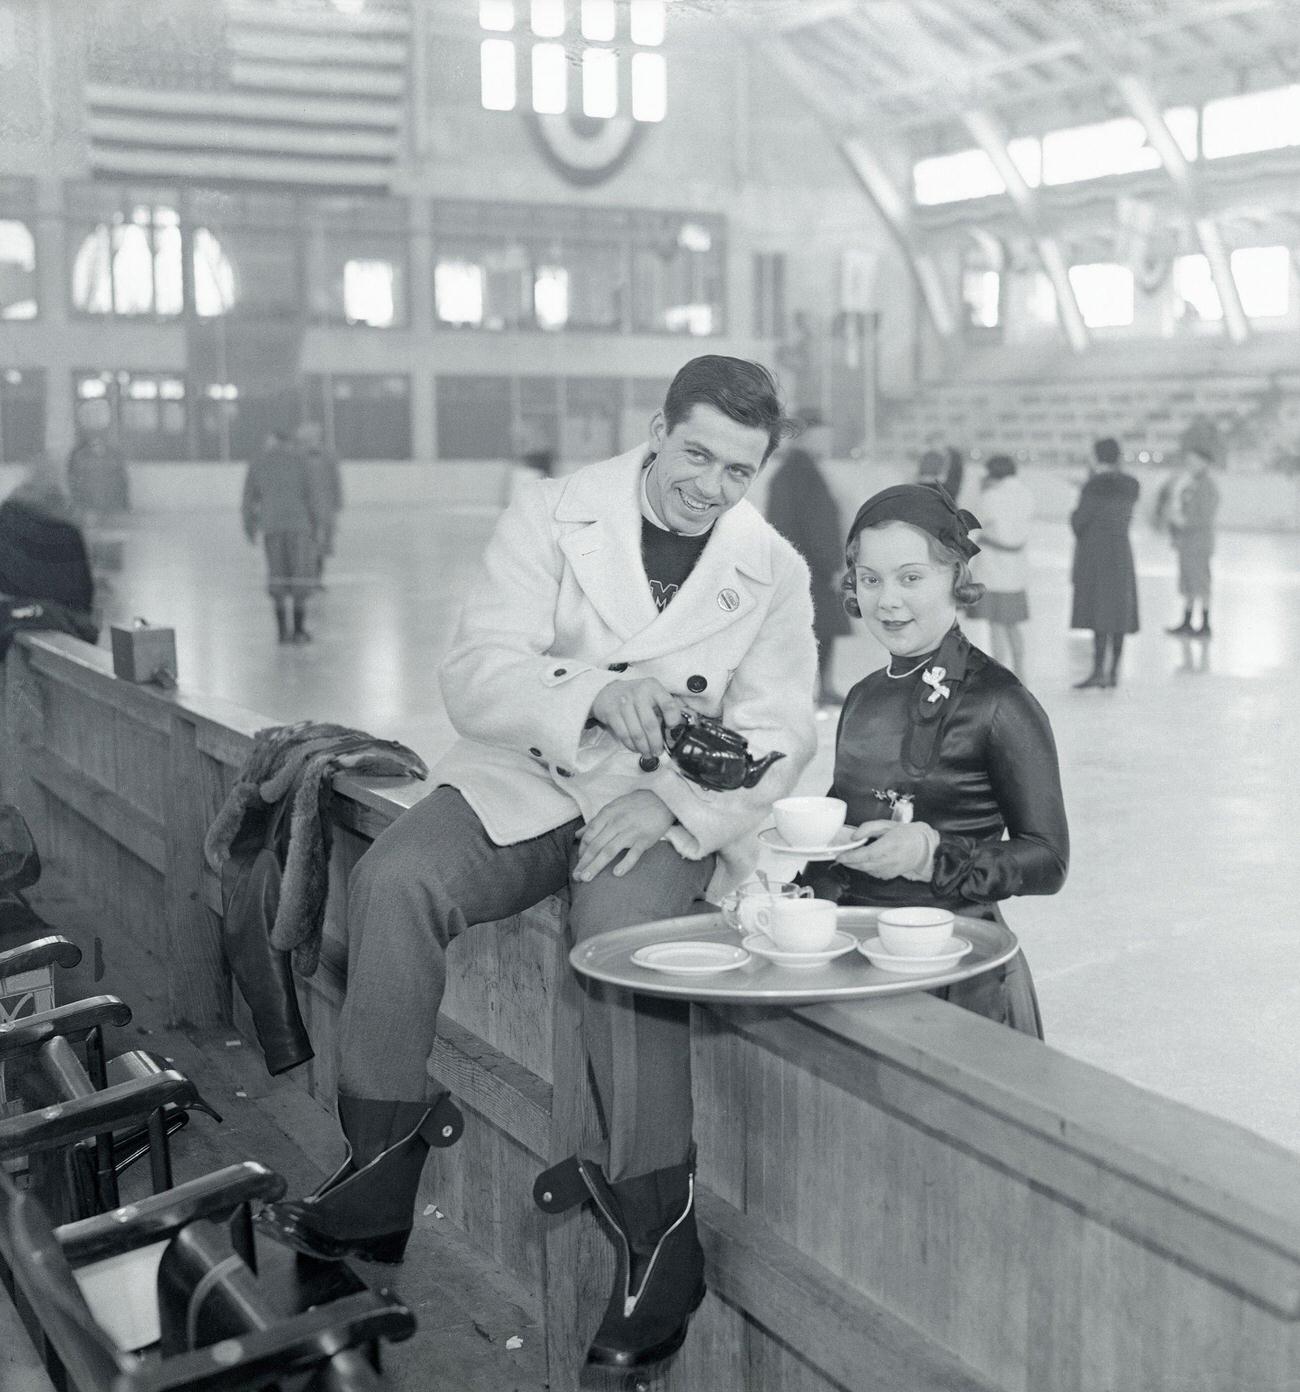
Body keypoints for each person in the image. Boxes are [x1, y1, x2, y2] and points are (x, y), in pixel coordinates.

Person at [256, 356, 819, 1370]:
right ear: (657, 429)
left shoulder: (770, 567)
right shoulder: (552, 514)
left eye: (738, 471)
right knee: (395, 879)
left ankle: (660, 1236)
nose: (711, 485)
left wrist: (672, 801)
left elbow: (781, 730)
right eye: (696, 454)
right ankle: (376, 1173)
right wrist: (593, 697)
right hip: (526, 774)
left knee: (618, 949)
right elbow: (474, 674)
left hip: (653, 814)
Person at [802, 484, 1068, 1035]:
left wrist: (932, 856)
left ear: (955, 576)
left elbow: (1047, 860)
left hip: (957, 976)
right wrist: (797, 889)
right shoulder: (863, 694)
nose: (887, 600)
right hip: (859, 958)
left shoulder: (1000, 701)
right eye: (870, 580)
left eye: (911, 577)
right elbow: (844, 823)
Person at [765, 414, 850, 706]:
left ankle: (818, 686)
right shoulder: (802, 473)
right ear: (805, 436)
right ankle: (815, 687)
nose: (825, 442)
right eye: (821, 436)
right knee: (814, 630)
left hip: (799, 563)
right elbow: (817, 524)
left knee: (811, 630)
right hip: (812, 565)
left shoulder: (793, 471)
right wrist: (832, 564)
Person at [241, 428, 328, 644]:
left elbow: (248, 498)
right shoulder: (302, 461)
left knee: (278, 577)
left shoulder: (259, 462)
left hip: (272, 527)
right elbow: (314, 496)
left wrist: (250, 527)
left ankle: (282, 632)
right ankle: (298, 630)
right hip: (299, 527)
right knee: (299, 577)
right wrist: (318, 526)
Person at [0, 467, 98, 652]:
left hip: (27, 618)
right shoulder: (68, 531)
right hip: (66, 623)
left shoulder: (8, 520)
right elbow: (84, 598)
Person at [1069, 437, 1140, 689]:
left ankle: (1098, 670)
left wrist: (1084, 489)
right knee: (1118, 611)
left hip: (1095, 554)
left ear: (1097, 457)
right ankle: (1114, 673)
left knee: (1099, 610)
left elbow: (1079, 522)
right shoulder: (1132, 484)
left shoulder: (1093, 486)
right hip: (1121, 552)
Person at [966, 454, 1033, 677]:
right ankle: (1021, 670)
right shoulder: (1025, 493)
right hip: (1016, 567)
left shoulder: (991, 496)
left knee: (995, 623)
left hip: (993, 566)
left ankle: (998, 673)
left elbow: (975, 524)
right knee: (1013, 624)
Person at [1163, 444, 1220, 638]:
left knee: (1201, 583)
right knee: (1187, 583)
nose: (1190, 465)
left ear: (1205, 463)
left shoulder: (1207, 486)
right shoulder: (1190, 484)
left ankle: (1205, 624)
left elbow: (1204, 516)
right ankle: (1186, 621)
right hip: (1187, 543)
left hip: (1199, 543)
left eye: (1194, 461)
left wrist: (1182, 522)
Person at [295, 421, 342, 581]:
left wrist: (337, 502)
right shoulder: (297, 456)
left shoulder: (328, 455)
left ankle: (317, 576)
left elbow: (335, 480)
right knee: (307, 542)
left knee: (321, 543)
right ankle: (309, 575)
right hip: (305, 507)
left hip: (323, 506)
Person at [66, 431, 130, 518]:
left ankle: (106, 515)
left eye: (100, 445)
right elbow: (74, 475)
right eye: (95, 445)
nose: (98, 448)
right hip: (88, 490)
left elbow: (120, 475)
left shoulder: (111, 457)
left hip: (106, 490)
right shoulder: (81, 457)